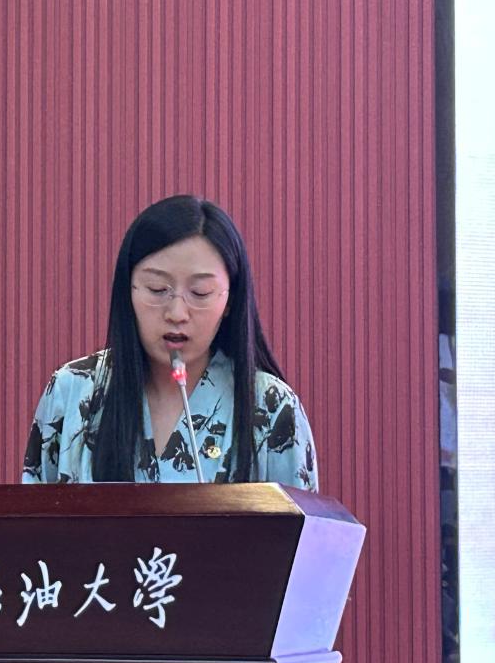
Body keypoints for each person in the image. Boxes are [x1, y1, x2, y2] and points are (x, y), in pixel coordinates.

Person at [22, 195, 318, 490]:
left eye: (200, 292)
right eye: (157, 289)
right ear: (128, 290)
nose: (177, 313)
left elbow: (302, 519)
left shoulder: (271, 407)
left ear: (230, 300)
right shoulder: (72, 390)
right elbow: (33, 514)